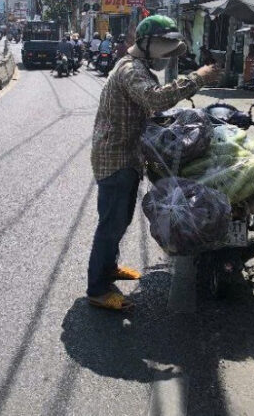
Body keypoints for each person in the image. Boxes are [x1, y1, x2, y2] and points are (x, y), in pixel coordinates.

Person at [87, 15, 221, 310]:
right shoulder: (131, 70)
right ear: (146, 43)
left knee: (119, 220)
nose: (167, 55)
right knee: (111, 224)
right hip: (116, 158)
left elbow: (150, 108)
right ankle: (97, 289)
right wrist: (198, 77)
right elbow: (155, 99)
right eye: (165, 47)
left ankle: (108, 268)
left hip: (127, 155)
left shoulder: (137, 68)